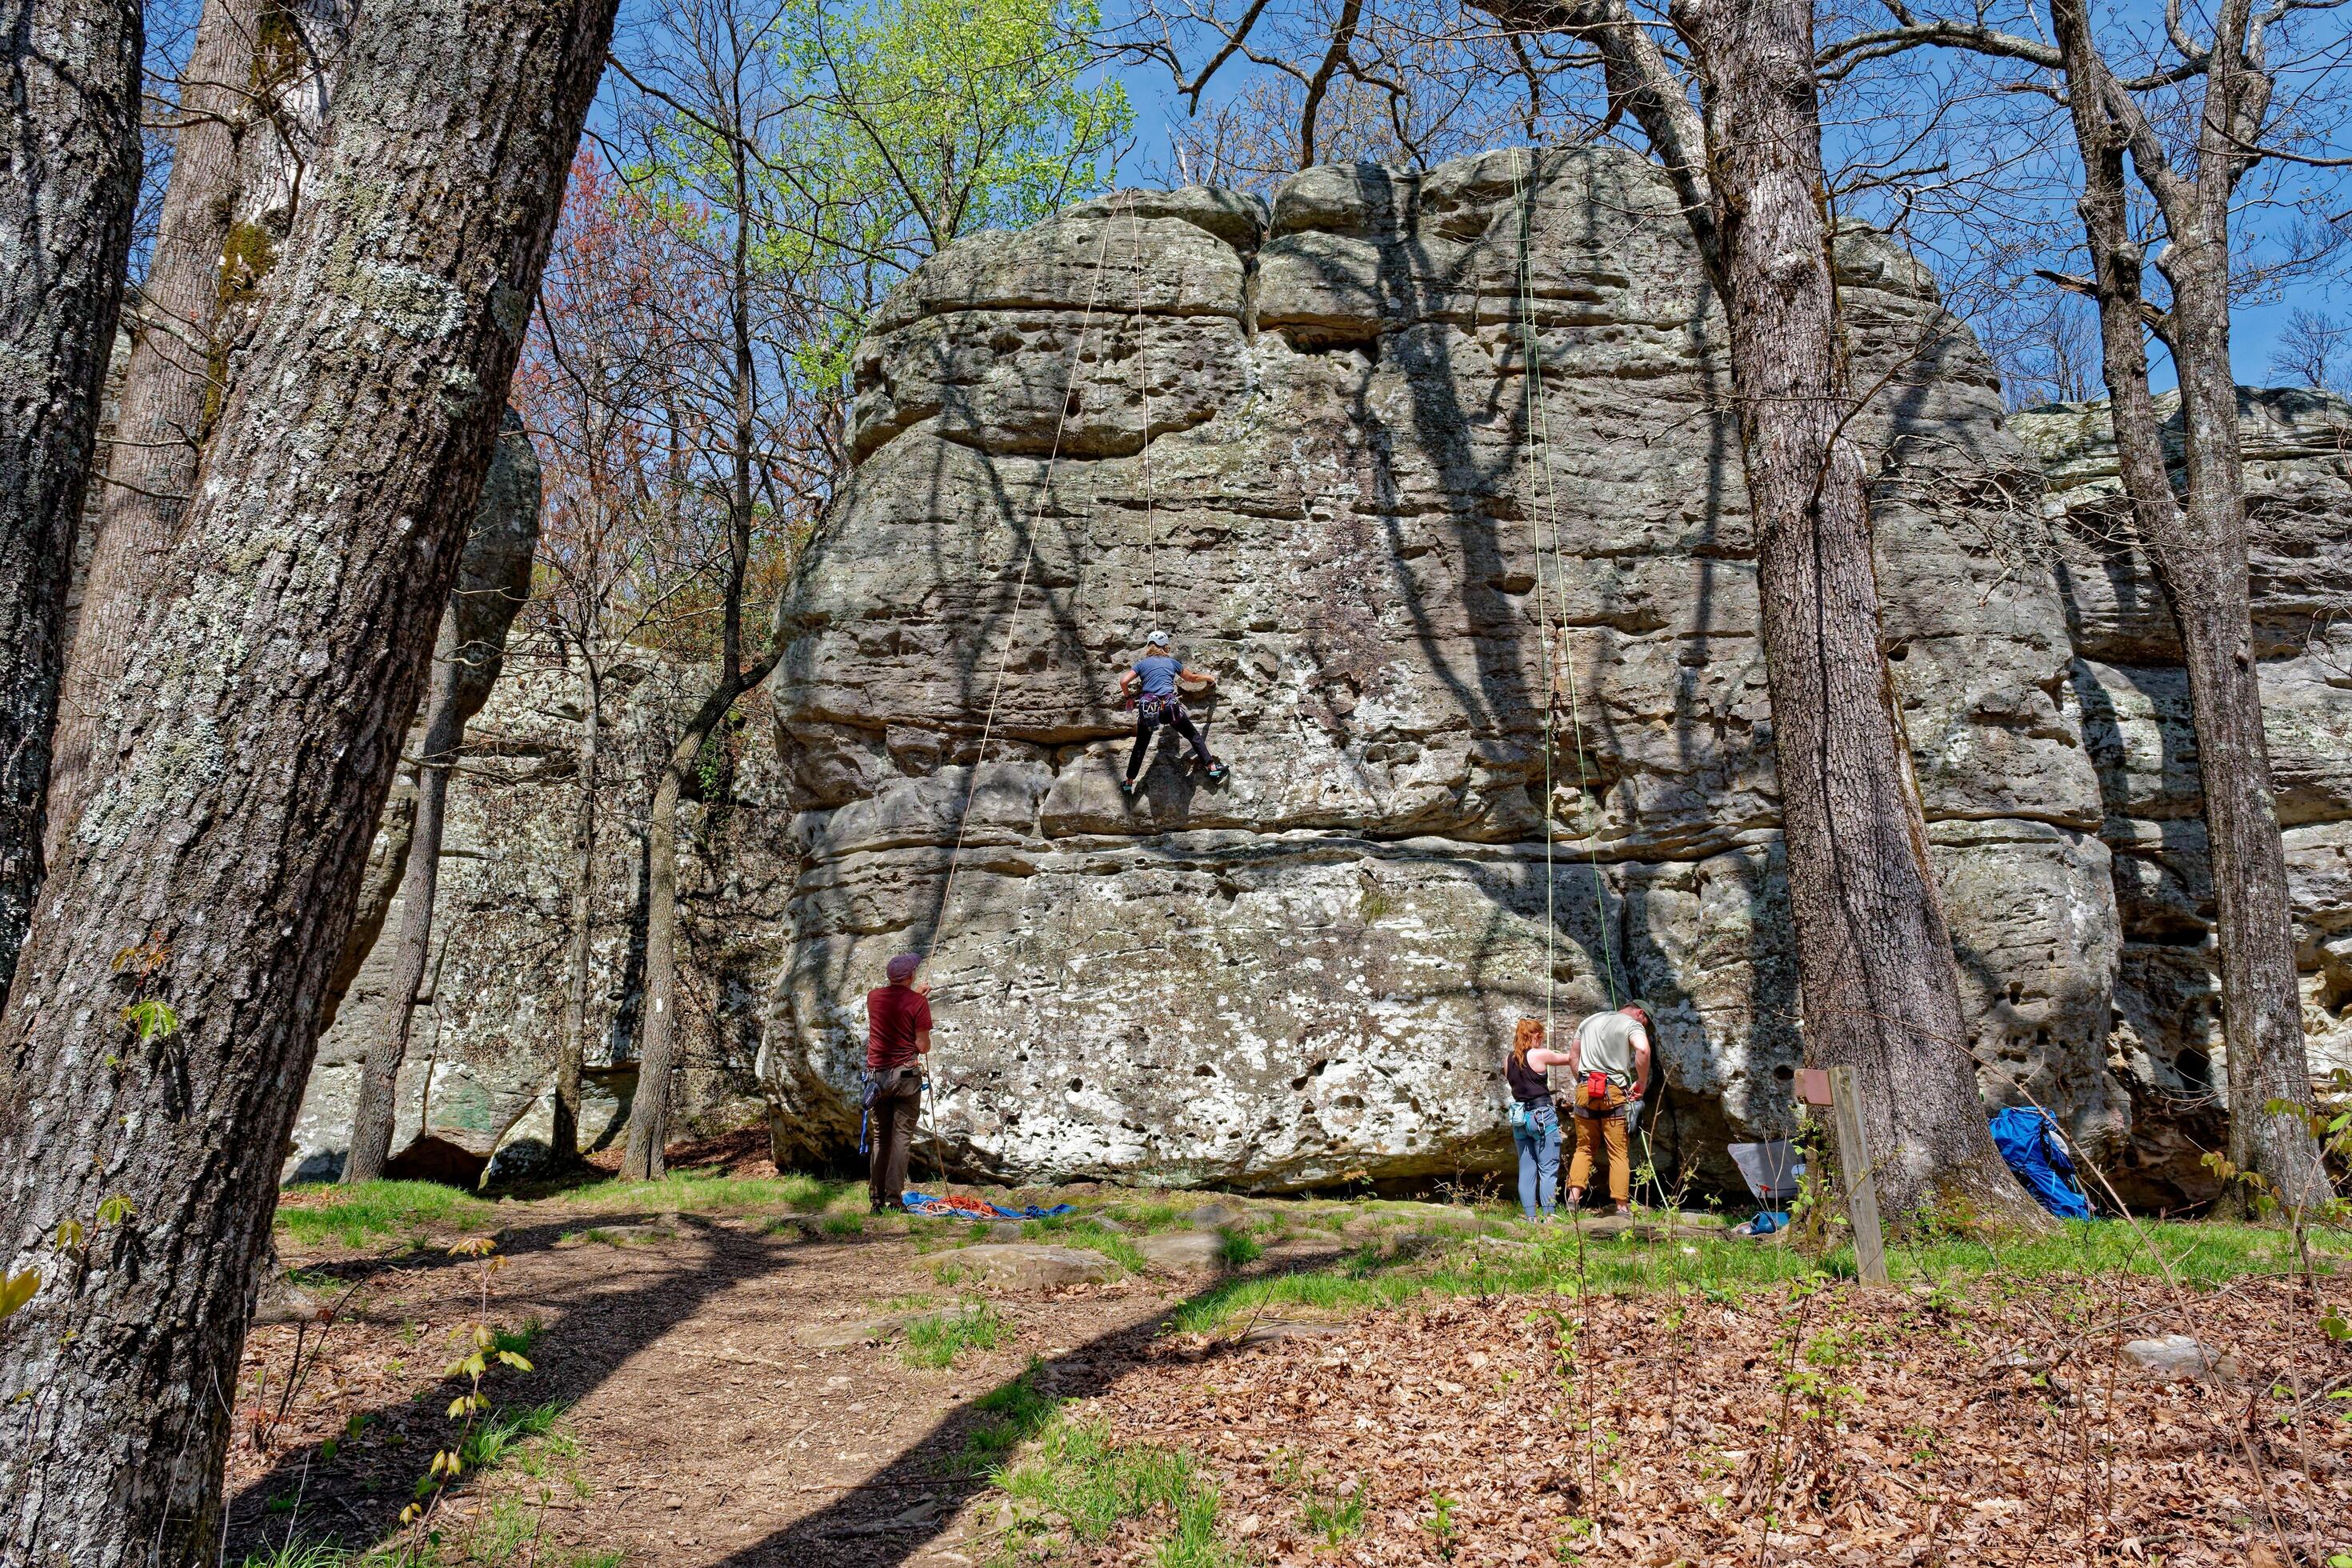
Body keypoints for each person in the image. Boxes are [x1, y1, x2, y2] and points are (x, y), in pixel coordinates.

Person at [1564, 1000, 1652, 1217]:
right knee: (1618, 1151)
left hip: (1586, 1089)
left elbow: (1573, 1056)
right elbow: (1642, 1049)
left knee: (1584, 1147)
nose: (1645, 1026)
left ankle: (1573, 1199)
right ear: (1640, 1013)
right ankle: (1622, 1207)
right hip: (1613, 1091)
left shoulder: (1588, 1021)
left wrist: (1582, 1082)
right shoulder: (1632, 1024)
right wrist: (1642, 1081)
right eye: (1646, 1022)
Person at [864, 951, 933, 1214]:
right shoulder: (917, 1004)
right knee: (901, 1138)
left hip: (877, 1078)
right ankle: (894, 1200)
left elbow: (894, 1006)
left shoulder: (874, 998)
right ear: (912, 975)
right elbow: (922, 1046)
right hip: (905, 1078)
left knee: (881, 1137)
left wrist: (916, 996)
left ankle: (876, 1201)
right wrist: (919, 1001)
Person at [1118, 630, 1226, 794]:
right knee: (1193, 736)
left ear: (1150, 646)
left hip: (1149, 711)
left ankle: (1128, 782)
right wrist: (1209, 678)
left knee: (1140, 746)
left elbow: (1124, 681)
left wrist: (1128, 698)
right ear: (1165, 647)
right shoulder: (1172, 663)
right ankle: (1212, 768)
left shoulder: (1141, 664)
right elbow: (1192, 678)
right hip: (1170, 709)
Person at [1505, 1016, 1577, 1222]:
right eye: (1541, 1036)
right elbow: (1570, 1057)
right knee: (1547, 1169)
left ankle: (1530, 1217)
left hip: (1520, 1118)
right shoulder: (1539, 1054)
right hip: (1542, 1115)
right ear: (1535, 1036)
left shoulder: (1507, 1060)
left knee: (1527, 1169)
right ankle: (1549, 1215)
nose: (1542, 1040)